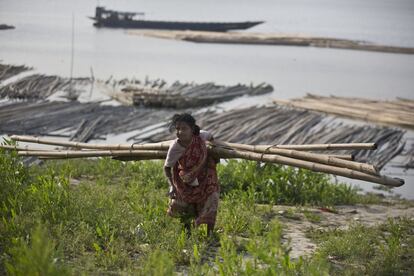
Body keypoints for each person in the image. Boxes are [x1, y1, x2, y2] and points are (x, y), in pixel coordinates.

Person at [164, 113, 219, 236]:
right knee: (183, 204)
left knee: (212, 196)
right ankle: (187, 230)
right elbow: (167, 167)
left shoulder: (200, 136)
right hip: (184, 181)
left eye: (184, 128)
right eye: (177, 129)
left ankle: (210, 234)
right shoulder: (175, 147)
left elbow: (211, 137)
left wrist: (212, 152)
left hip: (204, 178)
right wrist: (172, 185)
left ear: (192, 129)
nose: (180, 132)